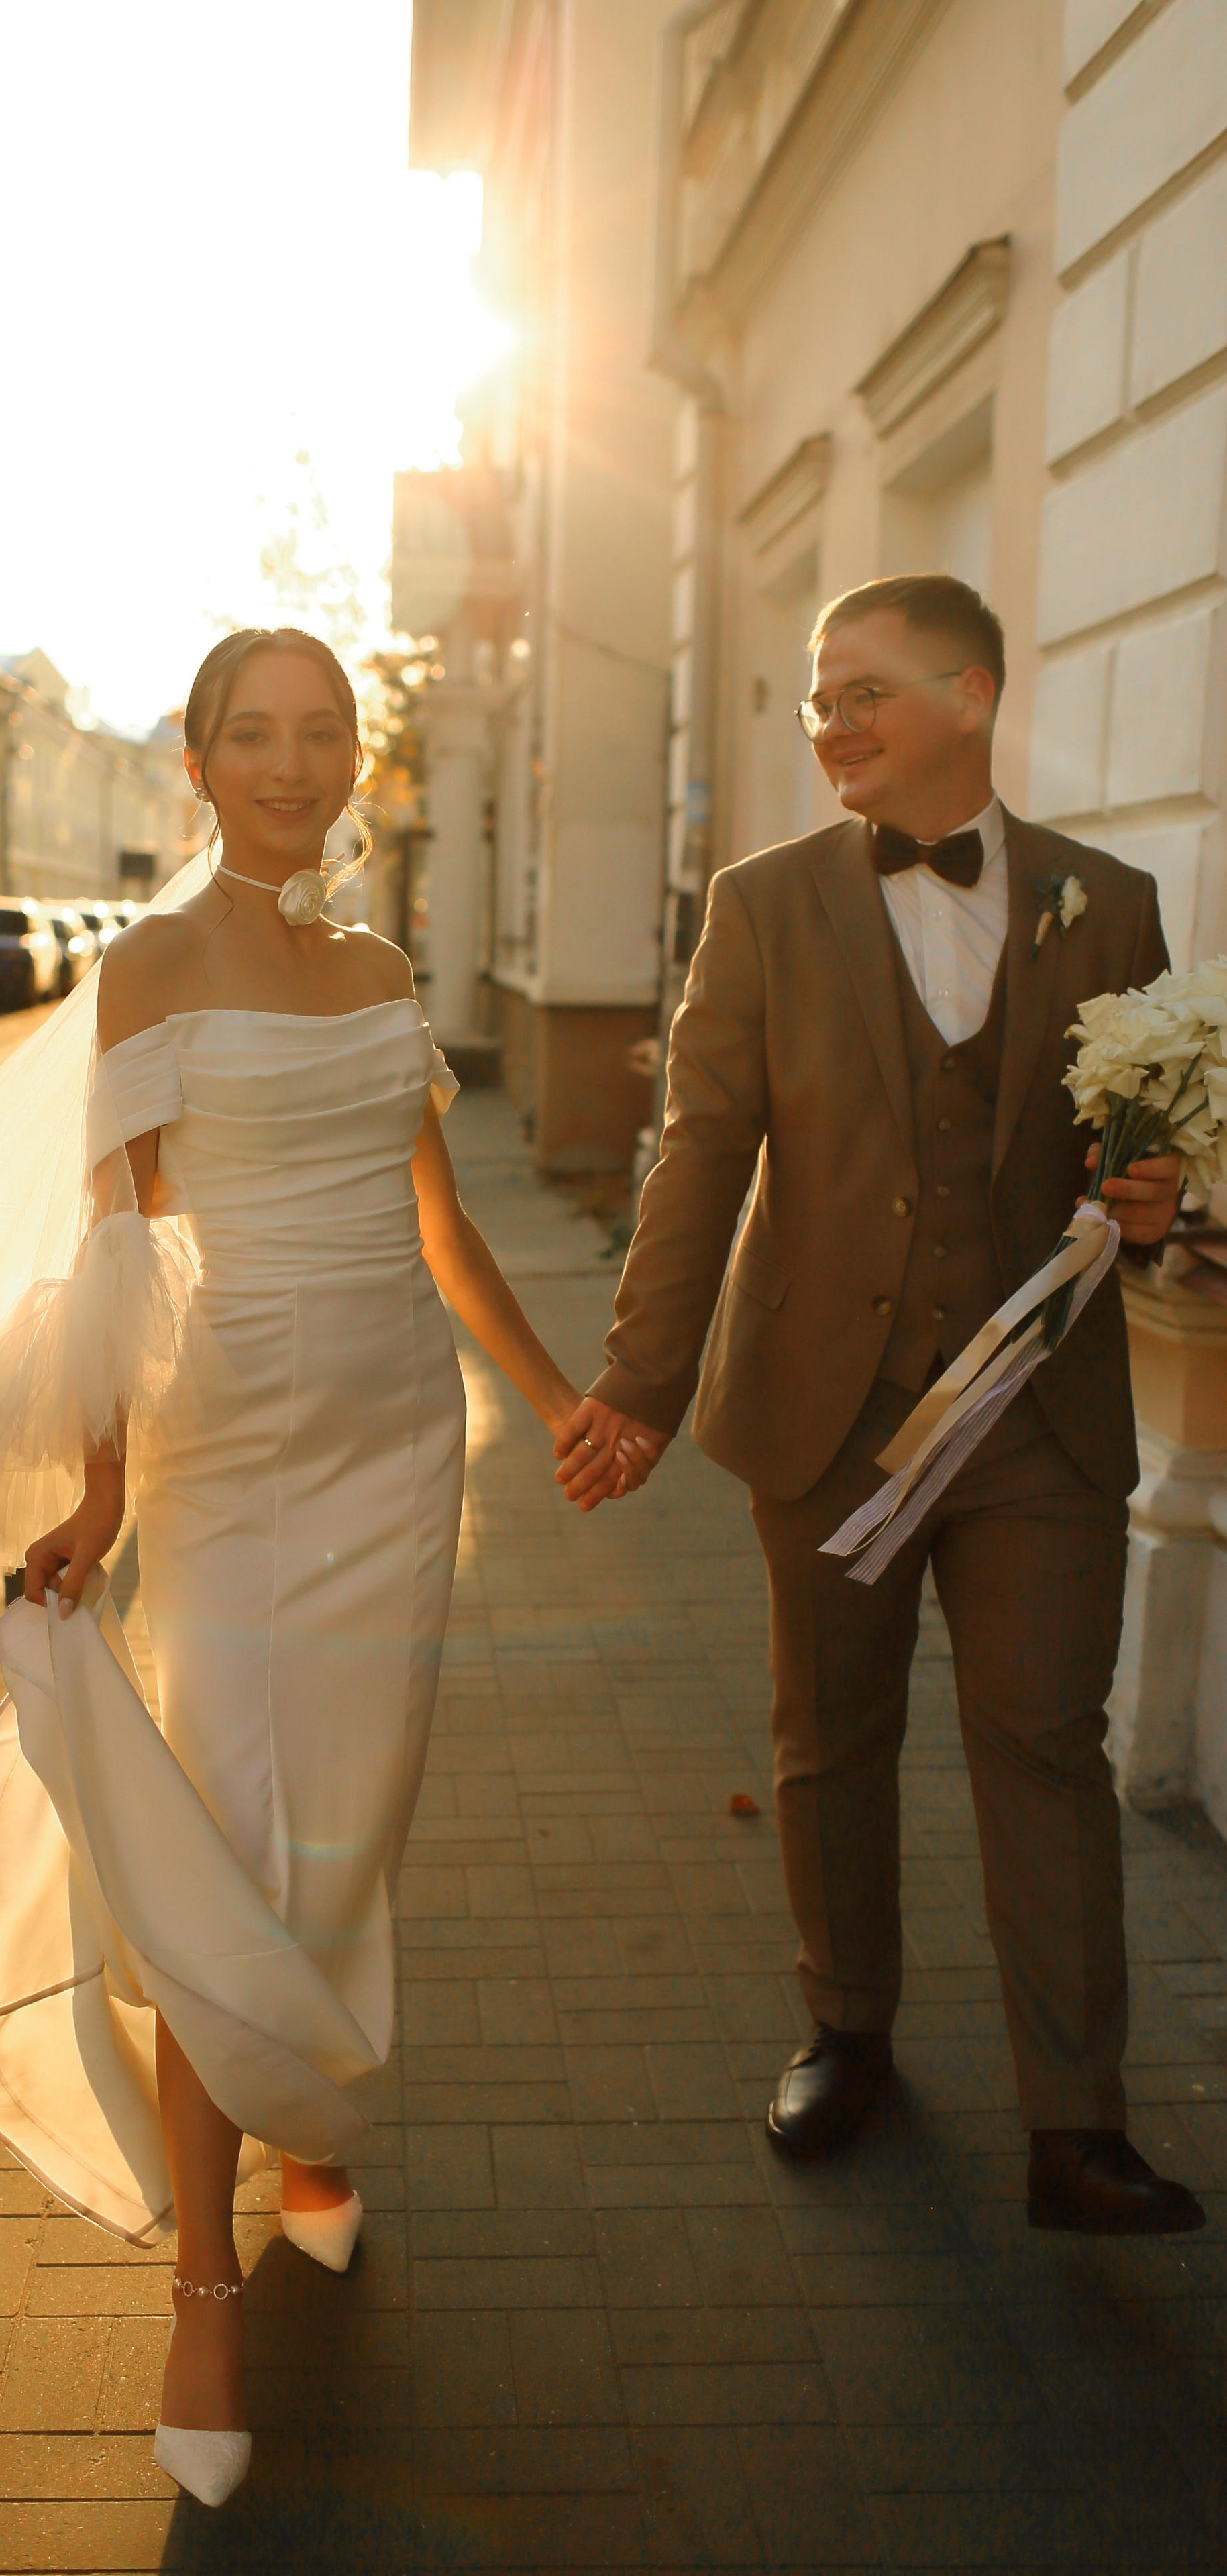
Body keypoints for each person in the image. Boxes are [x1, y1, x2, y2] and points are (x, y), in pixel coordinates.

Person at [0, 627, 617, 2508]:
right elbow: (114, 1250)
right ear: (198, 760)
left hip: (398, 1446)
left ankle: (311, 2122)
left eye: (322, 731)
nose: (290, 760)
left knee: (348, 1823)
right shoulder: (155, 970)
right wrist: (97, 1498)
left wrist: (566, 1399)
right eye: (252, 734)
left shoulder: (386, 966)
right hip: (229, 1451)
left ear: (354, 761)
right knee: (227, 1839)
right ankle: (202, 2276)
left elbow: (439, 1222)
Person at [554, 575, 1206, 2239]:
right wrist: (635, 1383)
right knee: (830, 1740)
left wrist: (1154, 1200)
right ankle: (845, 2032)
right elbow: (700, 1152)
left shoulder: (1107, 904)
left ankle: (1076, 2130)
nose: (829, 720)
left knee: (1044, 1749)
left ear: (970, 696)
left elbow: (1139, 1160)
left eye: (864, 691)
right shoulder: (761, 906)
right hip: (824, 1406)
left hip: (1036, 1424)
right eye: (815, 697)